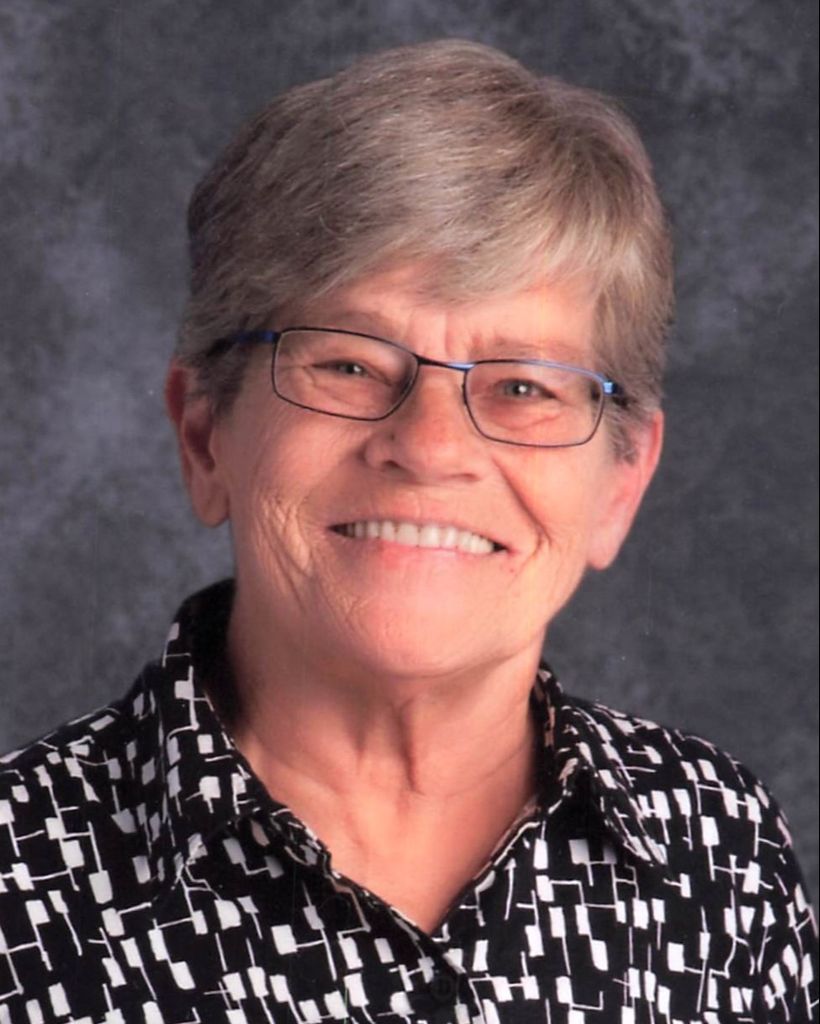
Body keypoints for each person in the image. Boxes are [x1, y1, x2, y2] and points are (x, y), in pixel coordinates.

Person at [0, 38, 816, 1024]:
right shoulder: (17, 884)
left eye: (524, 386)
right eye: (348, 364)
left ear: (620, 483)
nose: (429, 447)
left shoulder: (719, 856)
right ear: (205, 435)